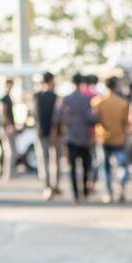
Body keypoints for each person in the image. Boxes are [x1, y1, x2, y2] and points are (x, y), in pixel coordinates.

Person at [57, 74, 96, 203]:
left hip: (71, 137)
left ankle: (75, 193)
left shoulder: (66, 99)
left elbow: (59, 117)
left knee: (72, 167)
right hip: (84, 137)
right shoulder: (85, 99)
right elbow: (91, 118)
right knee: (85, 166)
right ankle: (84, 191)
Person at [92, 76, 130, 203]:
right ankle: (121, 186)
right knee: (122, 165)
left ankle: (108, 193)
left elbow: (95, 119)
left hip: (103, 138)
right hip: (119, 137)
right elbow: (125, 122)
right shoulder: (123, 103)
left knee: (105, 166)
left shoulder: (98, 102)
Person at [33, 73, 60, 199]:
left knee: (44, 160)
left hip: (41, 132)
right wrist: (54, 130)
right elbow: (57, 116)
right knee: (55, 160)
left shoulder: (36, 96)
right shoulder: (55, 97)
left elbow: (35, 115)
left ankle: (47, 185)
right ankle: (54, 186)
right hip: (55, 133)